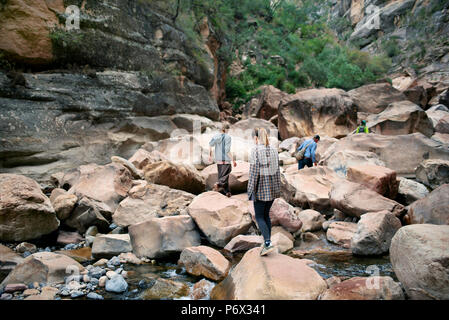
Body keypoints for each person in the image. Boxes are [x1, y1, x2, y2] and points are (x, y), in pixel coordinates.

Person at [248, 127, 281, 256]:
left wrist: (251, 190)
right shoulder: (274, 150)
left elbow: (254, 172)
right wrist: (277, 189)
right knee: (266, 215)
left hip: (261, 188)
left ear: (256, 138)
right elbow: (278, 170)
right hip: (272, 188)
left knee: (259, 216)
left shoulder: (255, 150)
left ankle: (267, 243)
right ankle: (268, 243)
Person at [209, 123, 236, 197]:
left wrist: (210, 155)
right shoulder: (228, 137)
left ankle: (227, 192)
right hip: (225, 160)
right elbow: (227, 150)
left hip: (218, 160)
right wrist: (233, 159)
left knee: (222, 176)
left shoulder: (216, 136)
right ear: (226, 129)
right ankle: (218, 184)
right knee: (226, 174)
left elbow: (210, 145)